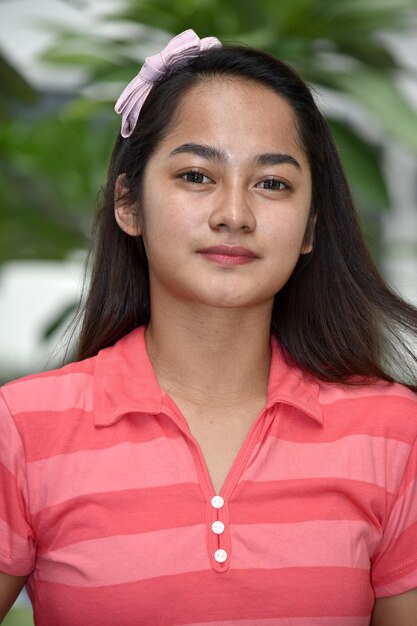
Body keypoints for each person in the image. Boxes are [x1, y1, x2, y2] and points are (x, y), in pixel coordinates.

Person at [1, 28, 417, 626]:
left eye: (272, 183)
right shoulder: (22, 429)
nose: (234, 215)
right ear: (129, 204)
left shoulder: (393, 433)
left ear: (308, 229)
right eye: (197, 175)